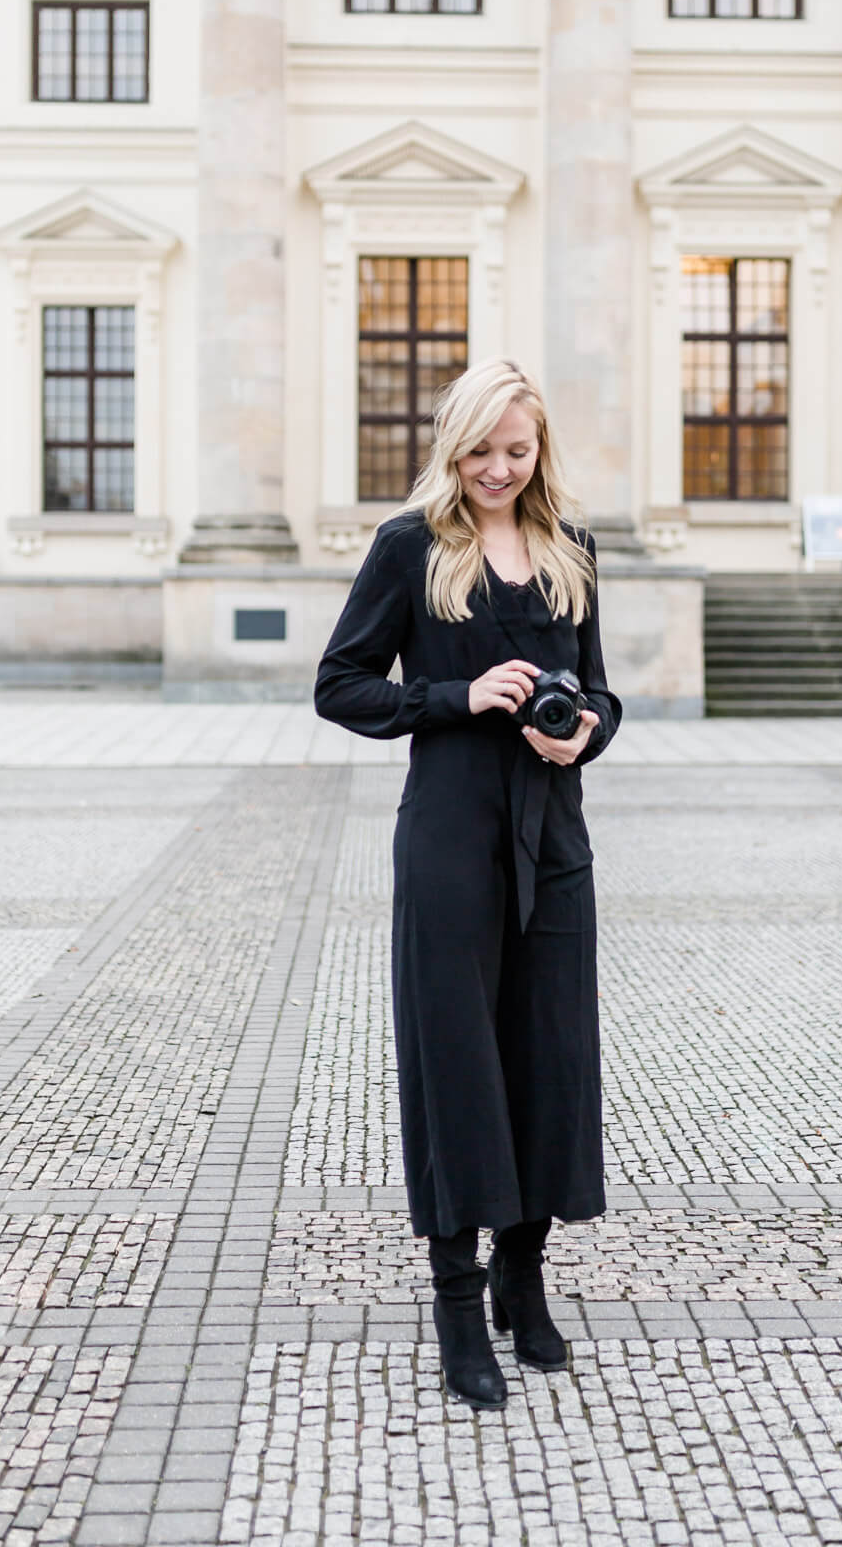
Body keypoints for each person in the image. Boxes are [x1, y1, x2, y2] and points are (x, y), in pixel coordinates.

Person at [314, 359, 621, 1410]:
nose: (499, 468)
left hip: (554, 843)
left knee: (547, 1057)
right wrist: (454, 695)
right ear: (454, 447)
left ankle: (523, 1279)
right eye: (482, 449)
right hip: (447, 839)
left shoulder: (572, 548)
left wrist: (583, 732)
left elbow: (603, 692)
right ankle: (456, 1297)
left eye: (517, 449)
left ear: (540, 450)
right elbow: (340, 685)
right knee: (457, 1061)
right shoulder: (411, 549)